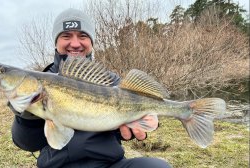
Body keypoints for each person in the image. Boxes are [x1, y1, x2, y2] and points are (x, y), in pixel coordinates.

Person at [9, 8, 172, 168]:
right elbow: (26, 143)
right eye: (66, 36)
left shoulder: (110, 81)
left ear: (91, 42)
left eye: (83, 36)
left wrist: (148, 120)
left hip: (109, 164)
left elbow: (127, 115)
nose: (75, 43)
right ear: (56, 42)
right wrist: (26, 116)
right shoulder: (42, 81)